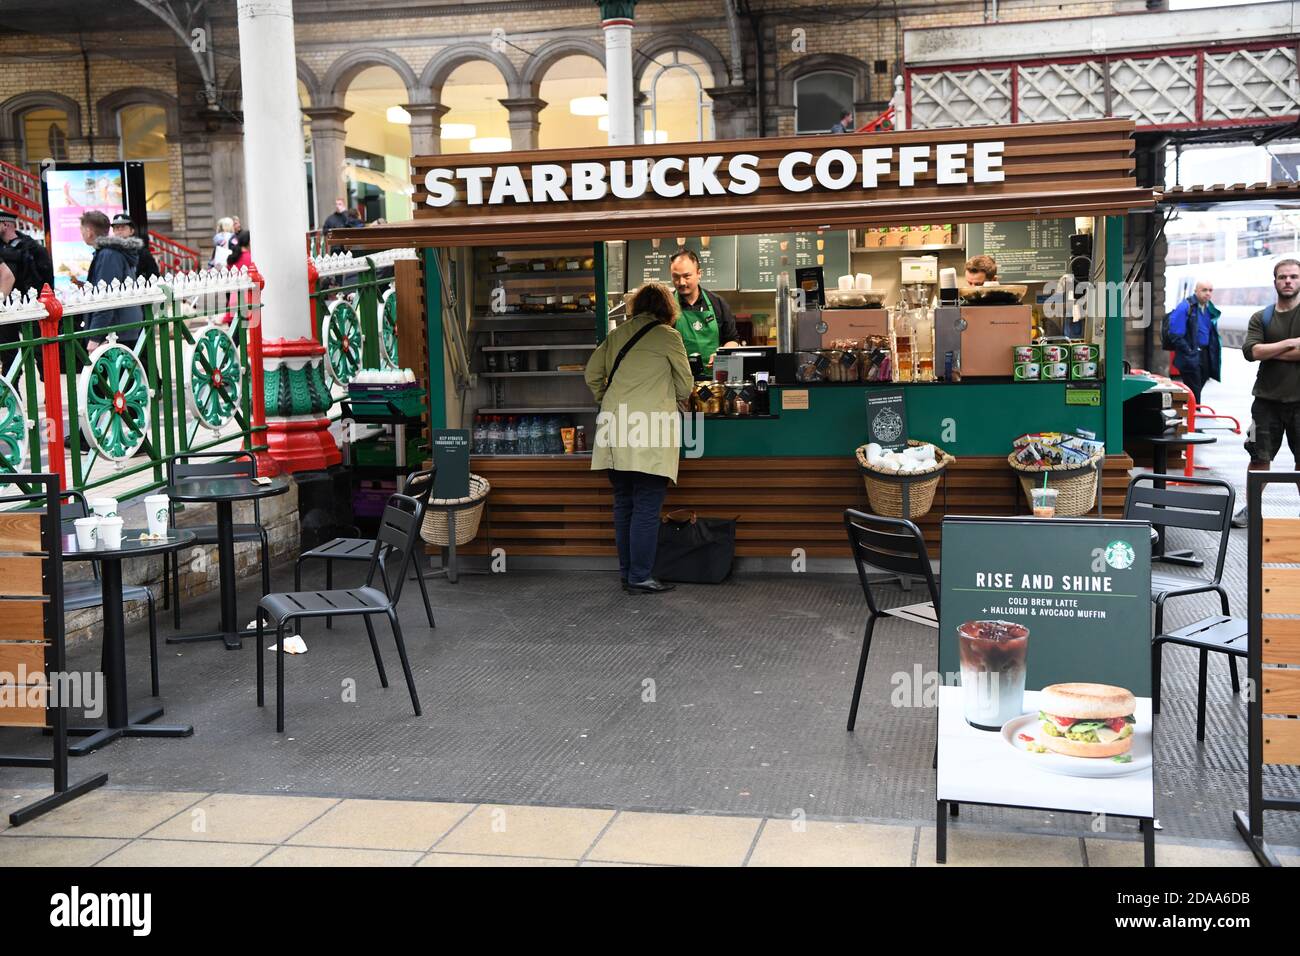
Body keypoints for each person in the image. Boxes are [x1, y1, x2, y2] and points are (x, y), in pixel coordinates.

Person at [585, 281, 693, 595]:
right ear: (667, 309)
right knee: (647, 504)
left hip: (614, 427)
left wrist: (605, 397)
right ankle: (640, 576)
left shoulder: (616, 334)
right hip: (648, 430)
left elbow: (591, 373)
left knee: (624, 503)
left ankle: (628, 573)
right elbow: (685, 386)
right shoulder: (668, 336)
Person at [1233, 258, 1300, 528]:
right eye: (1283, 277)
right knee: (1258, 458)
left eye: (1293, 277)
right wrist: (1290, 343)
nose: (1288, 281)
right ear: (1275, 281)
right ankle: (1252, 510)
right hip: (1265, 402)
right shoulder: (1262, 317)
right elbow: (1251, 352)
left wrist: (1271, 350)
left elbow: (1262, 351)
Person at [79, 210, 143, 349]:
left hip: (115, 332)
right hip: (123, 328)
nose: (81, 234)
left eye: (82, 230)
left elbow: (106, 296)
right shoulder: (111, 252)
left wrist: (95, 336)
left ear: (89, 231)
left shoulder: (108, 255)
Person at [669, 248, 739, 368]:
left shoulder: (718, 303)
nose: (681, 282)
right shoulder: (665, 305)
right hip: (677, 378)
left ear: (699, 274)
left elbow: (732, 340)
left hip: (714, 380)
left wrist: (722, 354)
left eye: (687, 276)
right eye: (676, 277)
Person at [1166, 279, 1221, 404]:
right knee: (1194, 389)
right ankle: (1195, 414)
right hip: (1191, 355)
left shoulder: (1208, 309)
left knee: (1199, 384)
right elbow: (1174, 334)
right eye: (1204, 290)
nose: (1208, 293)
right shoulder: (1186, 306)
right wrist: (1189, 351)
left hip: (1205, 354)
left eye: (1210, 290)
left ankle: (1193, 412)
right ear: (1196, 291)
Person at [110, 213, 160, 282]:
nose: (120, 231)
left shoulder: (142, 252)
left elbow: (153, 275)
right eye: (117, 228)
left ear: (131, 231)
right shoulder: (109, 252)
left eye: (123, 227)